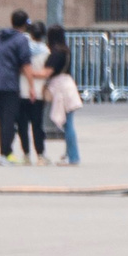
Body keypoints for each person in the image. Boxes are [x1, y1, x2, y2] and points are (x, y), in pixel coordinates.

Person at [0, 10, 36, 165]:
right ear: (25, 24)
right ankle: (5, 154)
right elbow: (26, 64)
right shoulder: (21, 39)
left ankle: (5, 152)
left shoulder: (3, 36)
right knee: (9, 121)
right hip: (10, 84)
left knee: (2, 121)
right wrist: (31, 86)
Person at [44, 26, 82, 167]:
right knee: (68, 123)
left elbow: (47, 72)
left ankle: (73, 156)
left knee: (68, 125)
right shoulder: (65, 50)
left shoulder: (57, 53)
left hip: (62, 89)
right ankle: (69, 154)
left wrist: (31, 74)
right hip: (68, 86)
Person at [20, 18, 52, 164]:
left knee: (22, 124)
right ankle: (40, 154)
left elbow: (20, 68)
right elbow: (46, 73)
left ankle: (26, 154)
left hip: (22, 90)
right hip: (38, 92)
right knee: (37, 125)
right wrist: (35, 74)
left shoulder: (24, 48)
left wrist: (27, 73)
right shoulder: (46, 51)